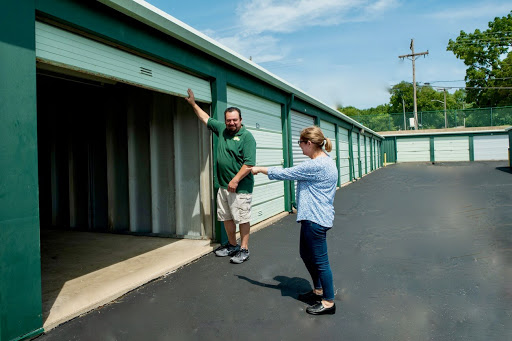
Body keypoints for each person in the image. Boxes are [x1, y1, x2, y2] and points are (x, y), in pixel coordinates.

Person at [251, 126, 338, 315]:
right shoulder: (326, 160)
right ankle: (319, 290)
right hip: (314, 217)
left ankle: (328, 301)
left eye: (300, 143)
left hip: (315, 218)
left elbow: (285, 173)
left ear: (309, 143)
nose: (299, 147)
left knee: (321, 262)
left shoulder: (315, 165)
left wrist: (259, 169)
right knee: (307, 255)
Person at [185, 88, 256, 264]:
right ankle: (232, 245)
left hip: (240, 187)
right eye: (228, 120)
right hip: (223, 186)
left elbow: (249, 164)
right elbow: (205, 118)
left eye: (234, 120)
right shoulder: (222, 129)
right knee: (226, 217)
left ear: (241, 120)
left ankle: (244, 249)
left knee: (242, 219)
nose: (231, 123)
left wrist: (235, 179)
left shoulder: (247, 138)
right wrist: (193, 104)